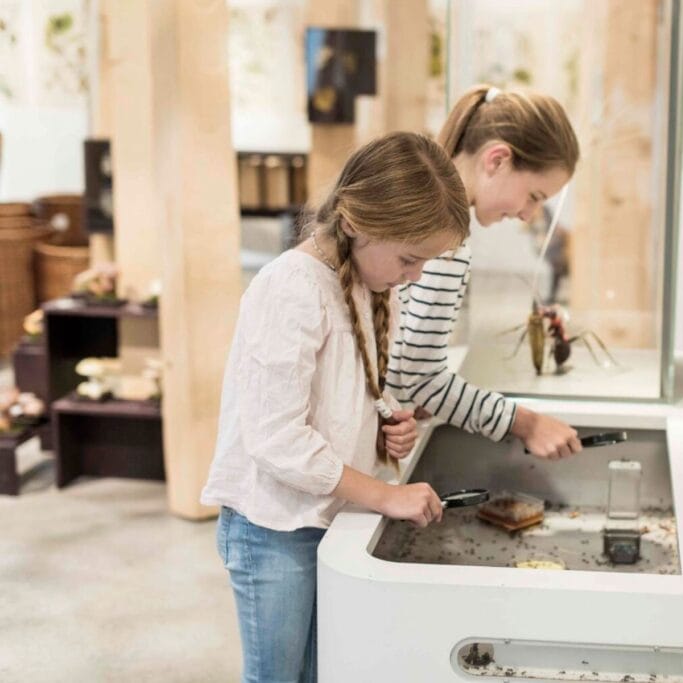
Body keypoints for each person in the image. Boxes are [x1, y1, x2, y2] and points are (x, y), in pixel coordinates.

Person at [200, 132, 470, 683]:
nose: (414, 275)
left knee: (326, 670)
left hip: (329, 516)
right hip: (272, 528)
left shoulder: (371, 281)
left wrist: (385, 425)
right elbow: (277, 440)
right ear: (355, 224)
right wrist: (385, 495)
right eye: (410, 259)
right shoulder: (290, 289)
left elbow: (346, 390)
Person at [386, 84, 584, 459]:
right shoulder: (447, 240)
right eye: (535, 196)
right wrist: (529, 424)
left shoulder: (416, 198)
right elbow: (421, 378)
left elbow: (399, 361)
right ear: (496, 160)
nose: (528, 214)